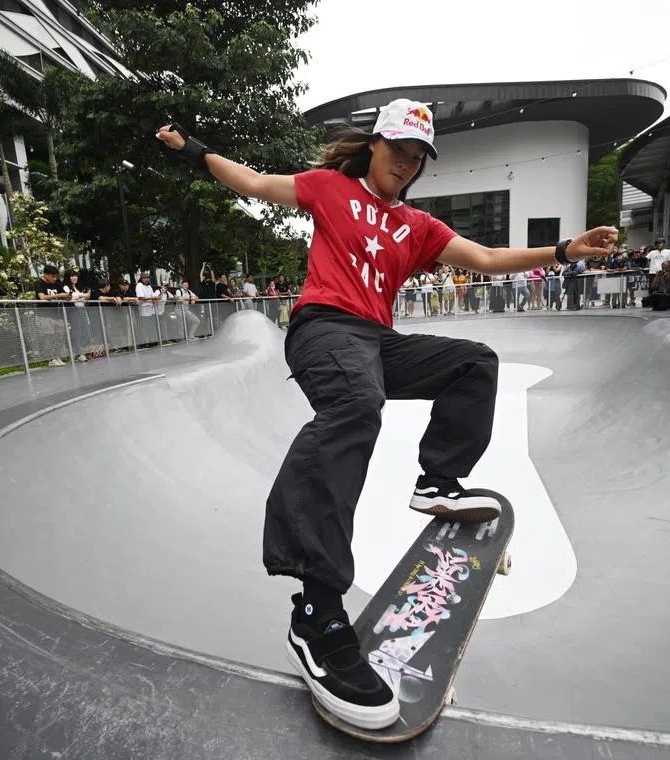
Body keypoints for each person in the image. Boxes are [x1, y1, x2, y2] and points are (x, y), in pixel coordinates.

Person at [156, 99, 615, 730]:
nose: (406, 163)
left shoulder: (420, 227)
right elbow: (258, 184)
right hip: (323, 329)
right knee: (356, 407)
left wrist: (563, 251)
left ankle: (437, 482)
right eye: (398, 149)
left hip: (378, 341)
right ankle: (317, 613)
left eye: (417, 157)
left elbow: (482, 259)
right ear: (375, 144)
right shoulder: (329, 190)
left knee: (474, 362)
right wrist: (197, 153)